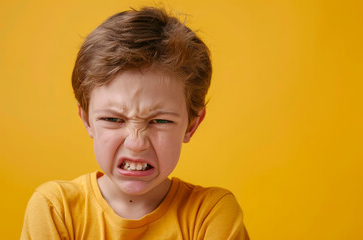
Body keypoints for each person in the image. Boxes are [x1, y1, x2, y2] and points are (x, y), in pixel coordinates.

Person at [21, 6, 249, 240]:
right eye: (113, 119)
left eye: (160, 120)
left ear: (191, 125)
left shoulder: (211, 213)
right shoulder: (55, 209)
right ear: (86, 119)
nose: (136, 142)